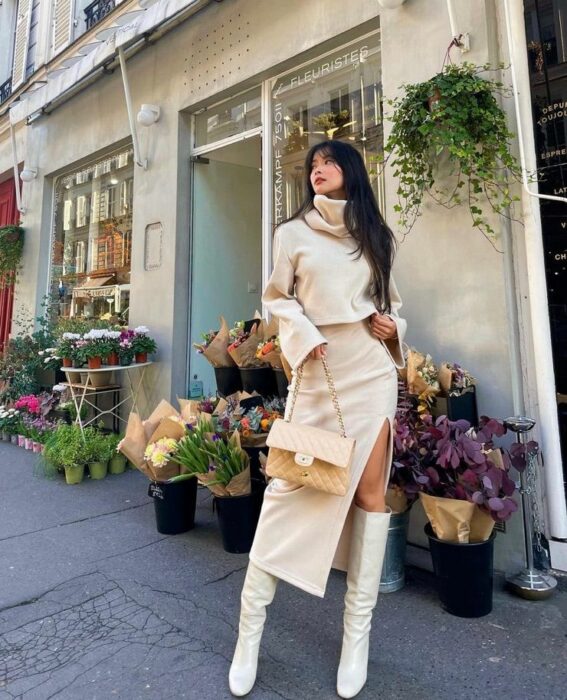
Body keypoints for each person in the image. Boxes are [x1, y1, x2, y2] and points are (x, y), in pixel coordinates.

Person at [229, 140, 407, 698]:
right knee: (287, 493)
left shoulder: (376, 235)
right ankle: (248, 634)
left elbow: (392, 302)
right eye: (312, 166)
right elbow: (277, 299)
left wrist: (392, 326)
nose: (318, 171)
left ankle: (358, 636)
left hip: (370, 375)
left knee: (371, 498)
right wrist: (302, 336)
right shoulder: (292, 234)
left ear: (350, 171)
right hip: (319, 372)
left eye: (328, 163)